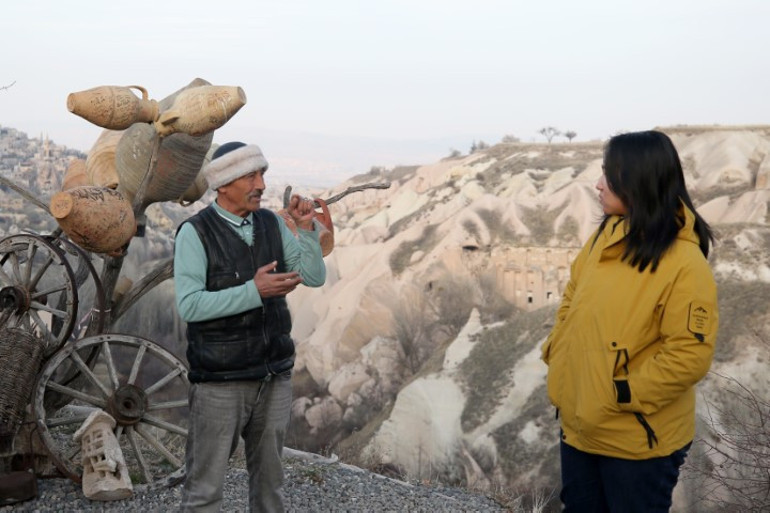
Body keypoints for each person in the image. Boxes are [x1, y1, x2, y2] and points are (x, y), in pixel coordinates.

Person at [541, 130, 718, 513]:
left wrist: (619, 394)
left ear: (639, 181)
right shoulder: (605, 237)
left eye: (609, 174)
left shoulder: (685, 264)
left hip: (637, 442)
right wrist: (557, 353)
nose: (598, 183)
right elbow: (573, 297)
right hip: (579, 428)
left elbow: (688, 356)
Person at [173, 141, 326, 512]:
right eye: (251, 176)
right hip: (220, 382)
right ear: (223, 184)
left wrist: (306, 231)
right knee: (205, 491)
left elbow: (313, 276)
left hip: (273, 377)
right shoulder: (195, 233)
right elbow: (189, 305)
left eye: (262, 174)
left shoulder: (271, 223)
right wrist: (253, 290)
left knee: (270, 489)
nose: (261, 184)